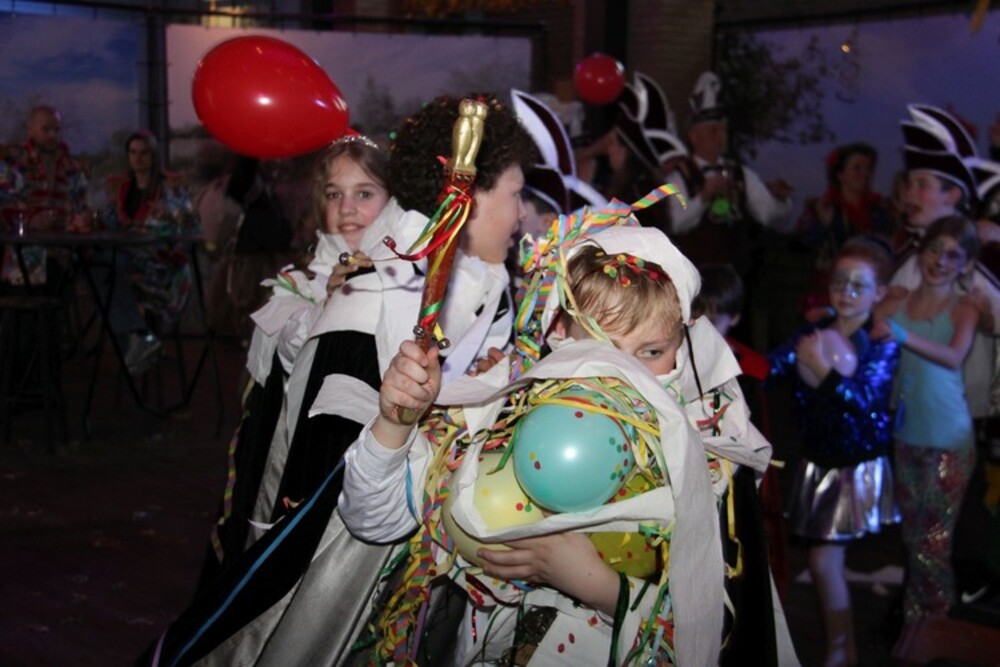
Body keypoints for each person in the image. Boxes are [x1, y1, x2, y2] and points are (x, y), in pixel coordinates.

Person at [142, 93, 538, 667]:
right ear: (467, 199)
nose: (524, 212)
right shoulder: (368, 302)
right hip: (342, 585)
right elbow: (317, 500)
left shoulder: (489, 285)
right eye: (516, 193)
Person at [340, 214, 791, 665]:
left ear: (682, 345)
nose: (624, 375)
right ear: (560, 331)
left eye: (651, 352)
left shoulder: (708, 453)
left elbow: (723, 637)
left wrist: (600, 587)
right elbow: (373, 522)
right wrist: (396, 423)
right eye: (600, 345)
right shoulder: (503, 407)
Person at [199, 132, 391, 584]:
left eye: (364, 194)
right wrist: (331, 302)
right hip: (296, 459)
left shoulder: (406, 279)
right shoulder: (299, 279)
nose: (348, 208)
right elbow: (286, 346)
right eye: (334, 194)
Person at [768, 237, 901, 666]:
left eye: (859, 285)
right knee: (825, 561)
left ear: (880, 292)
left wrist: (823, 371)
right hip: (818, 459)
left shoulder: (881, 343)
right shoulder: (814, 331)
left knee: (824, 560)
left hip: (853, 465)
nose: (846, 292)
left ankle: (840, 651)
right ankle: (845, 650)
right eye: (840, 282)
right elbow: (772, 366)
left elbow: (864, 400)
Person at [879, 216, 980, 625]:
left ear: (967, 264)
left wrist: (901, 334)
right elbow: (862, 324)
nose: (941, 260)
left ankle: (933, 629)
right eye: (936, 249)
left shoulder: (966, 307)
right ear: (922, 251)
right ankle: (917, 627)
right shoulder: (898, 301)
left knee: (932, 543)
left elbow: (954, 356)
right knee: (912, 538)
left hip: (949, 440)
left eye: (954, 255)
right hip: (907, 434)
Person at [664, 72, 794, 275]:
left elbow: (766, 214)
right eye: (713, 131)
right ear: (693, 136)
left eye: (723, 130)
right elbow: (674, 223)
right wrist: (703, 197)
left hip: (734, 276)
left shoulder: (741, 174)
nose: (720, 136)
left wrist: (780, 199)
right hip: (692, 277)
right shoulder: (679, 176)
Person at [101, 130, 197, 374]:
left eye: (144, 153)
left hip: (160, 263)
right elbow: (108, 223)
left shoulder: (169, 188)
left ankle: (135, 343)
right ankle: (139, 337)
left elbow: (187, 226)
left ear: (153, 156)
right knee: (100, 266)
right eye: (133, 152)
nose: (138, 158)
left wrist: (156, 228)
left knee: (110, 269)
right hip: (128, 257)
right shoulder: (121, 189)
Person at [1, 105, 89, 287]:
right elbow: (4, 202)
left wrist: (80, 220)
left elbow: (81, 207)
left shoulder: (72, 167)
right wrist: (30, 219)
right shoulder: (14, 164)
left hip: (62, 256)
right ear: (30, 129)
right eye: (46, 129)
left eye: (56, 130)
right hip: (23, 259)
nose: (52, 135)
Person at [797, 143, 893, 275]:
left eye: (868, 168)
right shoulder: (822, 207)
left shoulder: (880, 212)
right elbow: (801, 245)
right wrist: (824, 225)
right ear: (840, 174)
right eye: (857, 168)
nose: (865, 174)